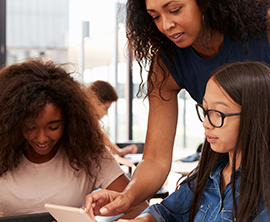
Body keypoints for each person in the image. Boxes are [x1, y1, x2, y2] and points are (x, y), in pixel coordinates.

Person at [83, 0, 270, 217]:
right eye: (155, 16)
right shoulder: (166, 65)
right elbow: (156, 159)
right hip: (228, 169)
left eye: (174, 10)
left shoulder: (265, 24)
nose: (167, 25)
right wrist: (127, 197)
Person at [104, 61, 270, 221]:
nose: (206, 123)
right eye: (205, 111)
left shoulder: (264, 193)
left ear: (255, 117)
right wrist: (143, 220)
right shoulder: (207, 175)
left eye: (218, 113)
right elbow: (164, 212)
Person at [0, 58, 148, 217]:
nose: (42, 138)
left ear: (69, 120)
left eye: (53, 127)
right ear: (13, 123)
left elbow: (140, 209)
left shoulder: (89, 154)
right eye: (30, 127)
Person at [87, 80, 138, 157]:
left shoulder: (94, 123)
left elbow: (103, 137)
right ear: (95, 102)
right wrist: (120, 152)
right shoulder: (86, 122)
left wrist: (120, 151)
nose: (106, 114)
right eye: (106, 108)